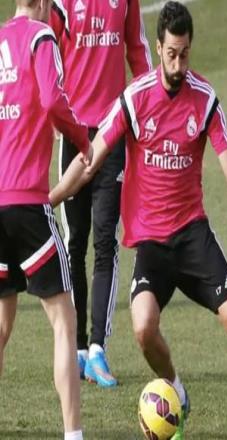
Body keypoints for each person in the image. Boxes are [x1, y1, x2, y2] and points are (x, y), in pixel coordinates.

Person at [50, 2, 227, 438]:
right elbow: (90, 161)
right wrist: (49, 198)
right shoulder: (135, 98)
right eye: (172, 54)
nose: (179, 65)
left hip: (193, 235)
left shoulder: (205, 99)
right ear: (159, 48)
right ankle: (177, 390)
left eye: (185, 54)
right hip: (152, 244)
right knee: (143, 329)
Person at [50, 0, 152, 387]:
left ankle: (97, 349)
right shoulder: (61, 4)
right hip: (74, 136)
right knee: (74, 242)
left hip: (113, 133)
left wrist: (151, 109)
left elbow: (138, 50)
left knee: (105, 241)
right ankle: (76, 348)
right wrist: (52, 117)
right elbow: (47, 56)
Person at [0, 1, 90, 439]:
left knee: (1, 323)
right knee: (64, 321)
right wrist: (81, 138)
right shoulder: (41, 37)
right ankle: (73, 435)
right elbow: (53, 99)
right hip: (28, 202)